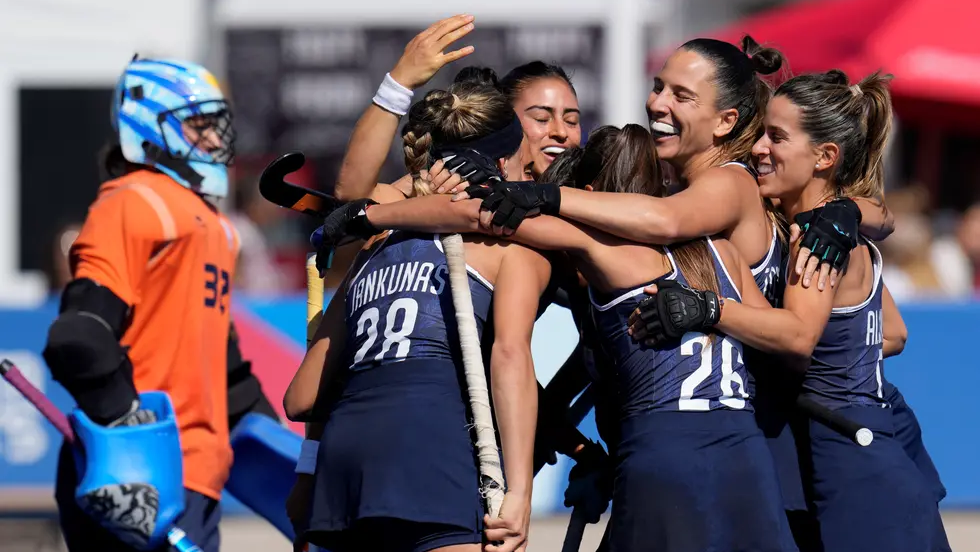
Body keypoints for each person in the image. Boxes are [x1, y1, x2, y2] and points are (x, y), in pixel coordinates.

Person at [630, 70, 945, 552]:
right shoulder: (835, 226)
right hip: (873, 444)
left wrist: (709, 309)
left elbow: (799, 337)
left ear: (824, 157)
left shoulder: (815, 239)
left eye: (776, 137)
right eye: (761, 133)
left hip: (854, 463)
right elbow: (893, 333)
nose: (758, 148)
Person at [283, 75, 551, 552]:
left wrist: (308, 470)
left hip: (344, 467)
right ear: (506, 162)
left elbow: (301, 399)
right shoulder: (513, 246)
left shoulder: (375, 245)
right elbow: (510, 357)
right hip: (431, 452)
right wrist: (519, 494)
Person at [41, 57, 243, 552]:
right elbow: (78, 337)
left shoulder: (214, 225)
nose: (215, 141)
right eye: (199, 127)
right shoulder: (135, 202)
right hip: (136, 474)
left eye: (216, 127)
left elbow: (227, 370)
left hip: (195, 476)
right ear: (150, 125)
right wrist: (130, 437)